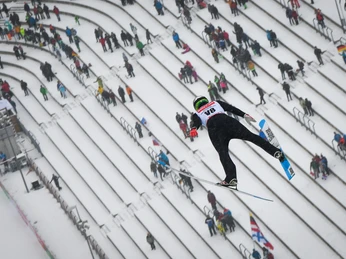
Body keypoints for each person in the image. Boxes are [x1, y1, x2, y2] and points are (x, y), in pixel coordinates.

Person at [190, 97, 285, 188]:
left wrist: (194, 128)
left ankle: (231, 178)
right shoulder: (215, 103)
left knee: (223, 154)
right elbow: (231, 108)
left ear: (196, 106)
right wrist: (244, 115)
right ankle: (275, 152)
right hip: (229, 123)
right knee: (252, 137)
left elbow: (196, 122)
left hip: (216, 130)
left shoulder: (197, 113)